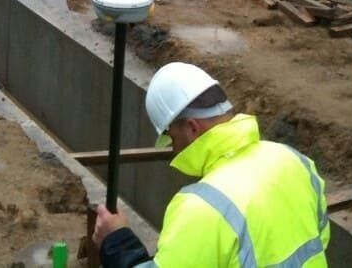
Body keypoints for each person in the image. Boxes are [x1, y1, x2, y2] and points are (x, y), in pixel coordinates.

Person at [93, 62, 330, 267]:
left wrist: (118, 242)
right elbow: (319, 239)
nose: (173, 149)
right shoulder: (294, 160)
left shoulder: (201, 208)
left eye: (171, 137)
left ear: (192, 128)